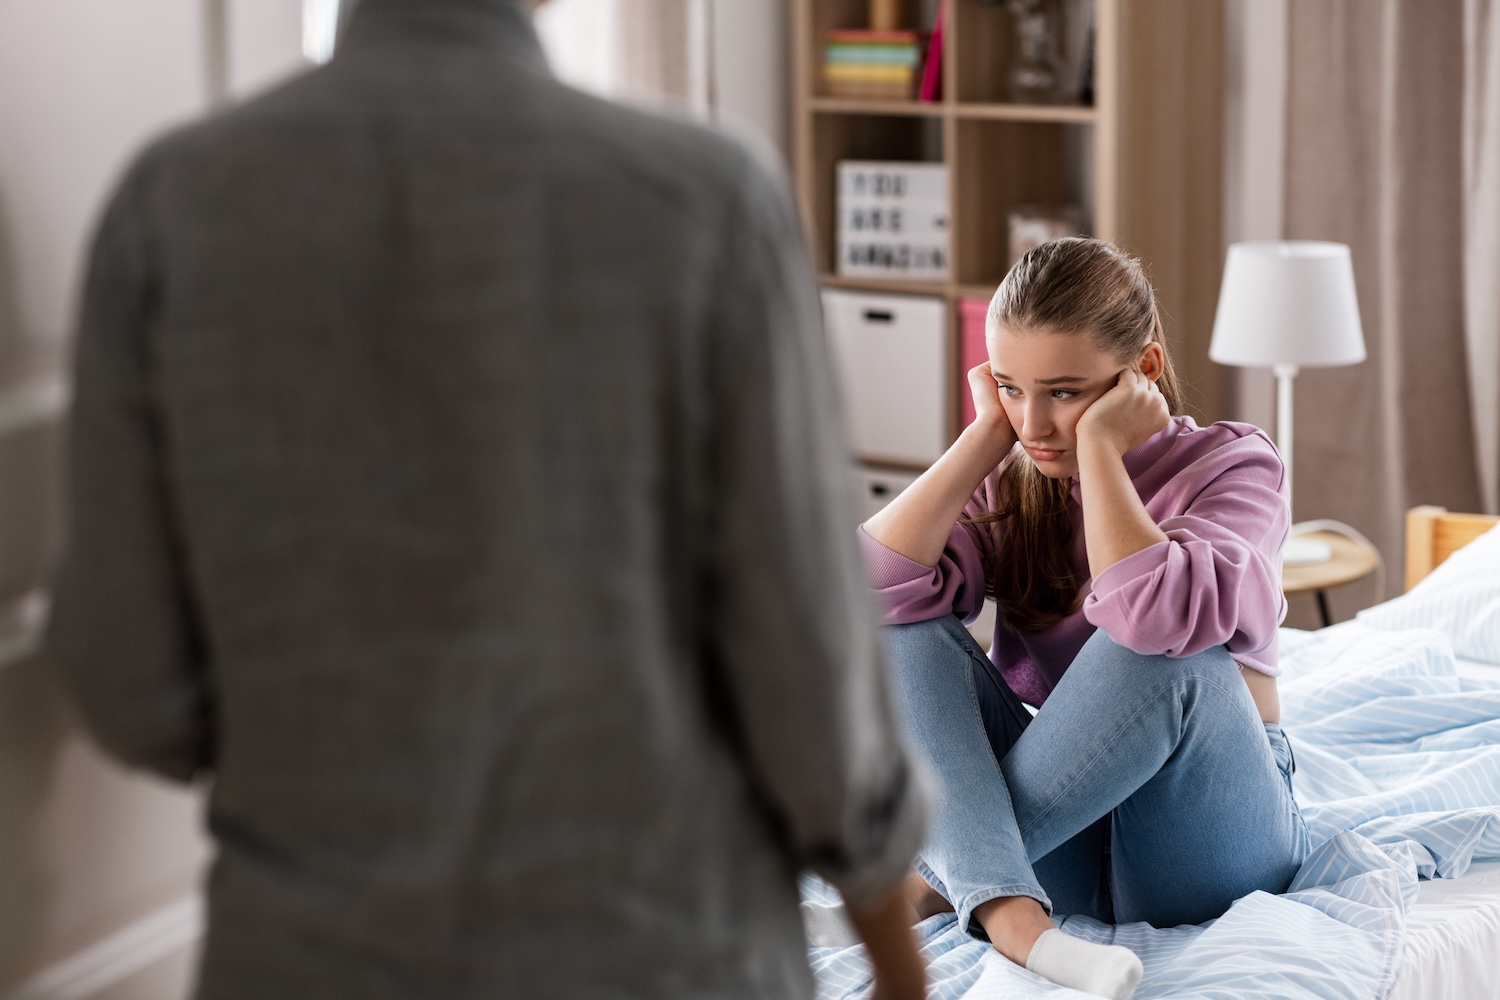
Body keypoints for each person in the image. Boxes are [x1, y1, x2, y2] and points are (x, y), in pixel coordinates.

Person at [45, 1, 929, 996]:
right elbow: (810, 677)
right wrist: (900, 969)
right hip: (658, 951)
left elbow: (130, 684)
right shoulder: (703, 200)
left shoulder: (171, 202)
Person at [862, 237, 1309, 1000]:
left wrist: (1102, 448)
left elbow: (1151, 619)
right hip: (1061, 845)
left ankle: (941, 882)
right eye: (1009, 387)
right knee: (895, 629)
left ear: (1145, 371)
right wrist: (982, 438)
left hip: (1205, 835)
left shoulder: (1237, 466)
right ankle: (1016, 920)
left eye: (1064, 393)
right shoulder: (1018, 473)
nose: (1033, 424)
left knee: (1169, 648)